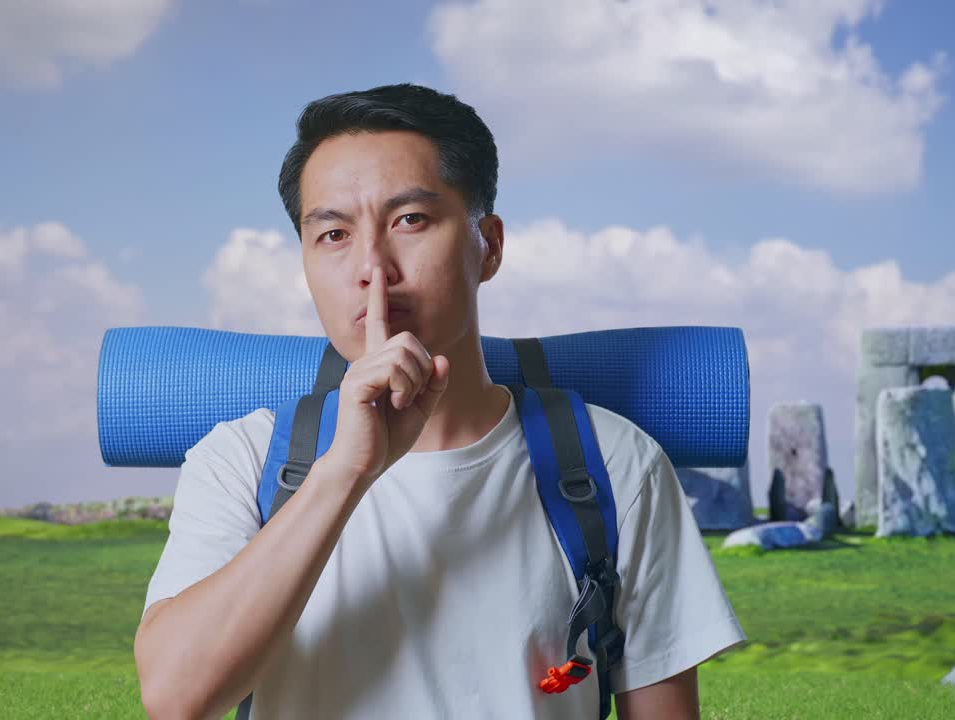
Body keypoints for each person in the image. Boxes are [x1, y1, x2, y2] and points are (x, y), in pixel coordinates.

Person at [133, 83, 746, 719]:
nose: (372, 268)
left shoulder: (616, 465)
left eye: (410, 221)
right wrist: (344, 473)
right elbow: (177, 699)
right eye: (334, 234)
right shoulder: (241, 460)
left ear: (490, 246)